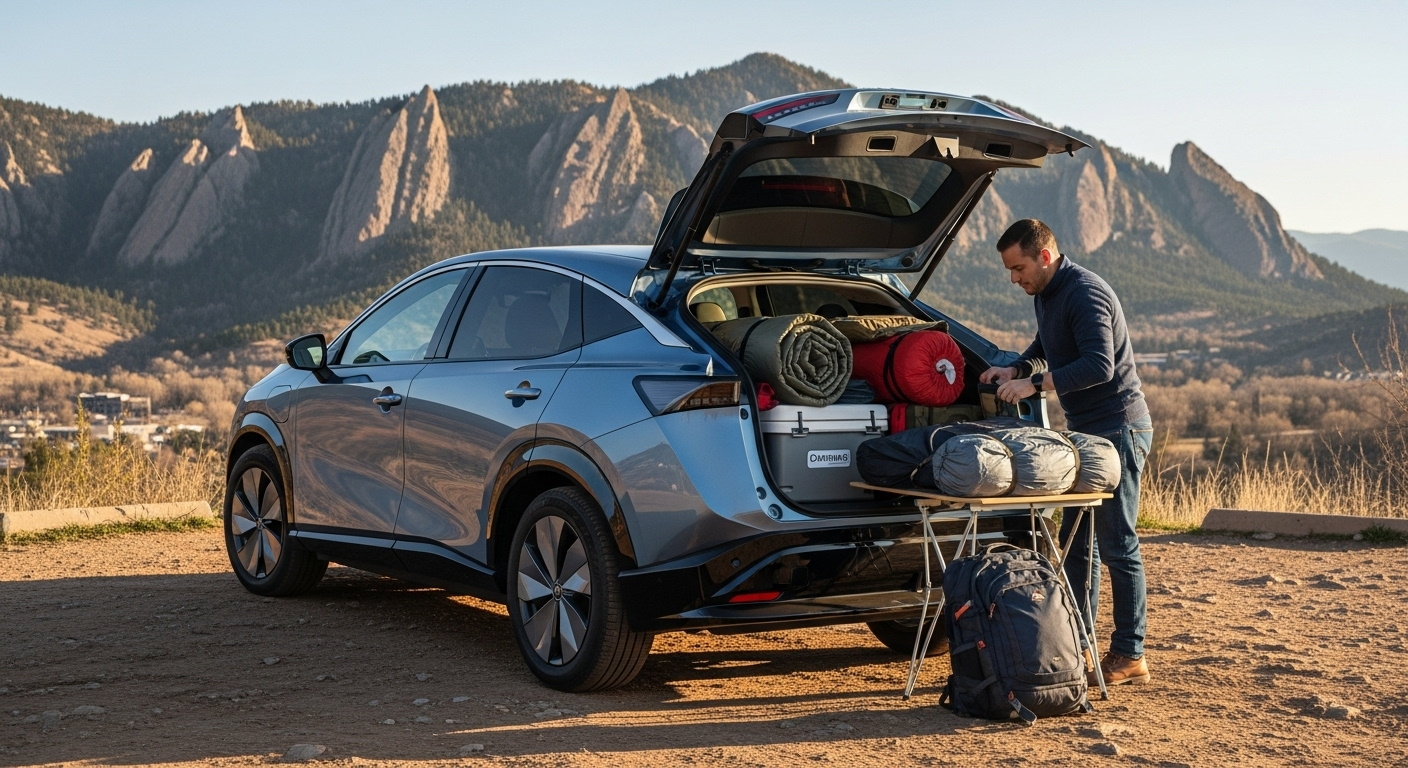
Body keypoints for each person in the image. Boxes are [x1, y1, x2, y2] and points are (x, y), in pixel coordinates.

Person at [978, 218, 1154, 686]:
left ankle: (1130, 653)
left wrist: (1032, 384)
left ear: (1045, 256)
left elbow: (1098, 365)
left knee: (1118, 546)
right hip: (1087, 435)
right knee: (1079, 546)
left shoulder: (1085, 293)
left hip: (1119, 430)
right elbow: (1046, 348)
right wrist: (1012, 367)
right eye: (1010, 271)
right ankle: (1078, 643)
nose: (1014, 279)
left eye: (1018, 268)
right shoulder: (1047, 295)